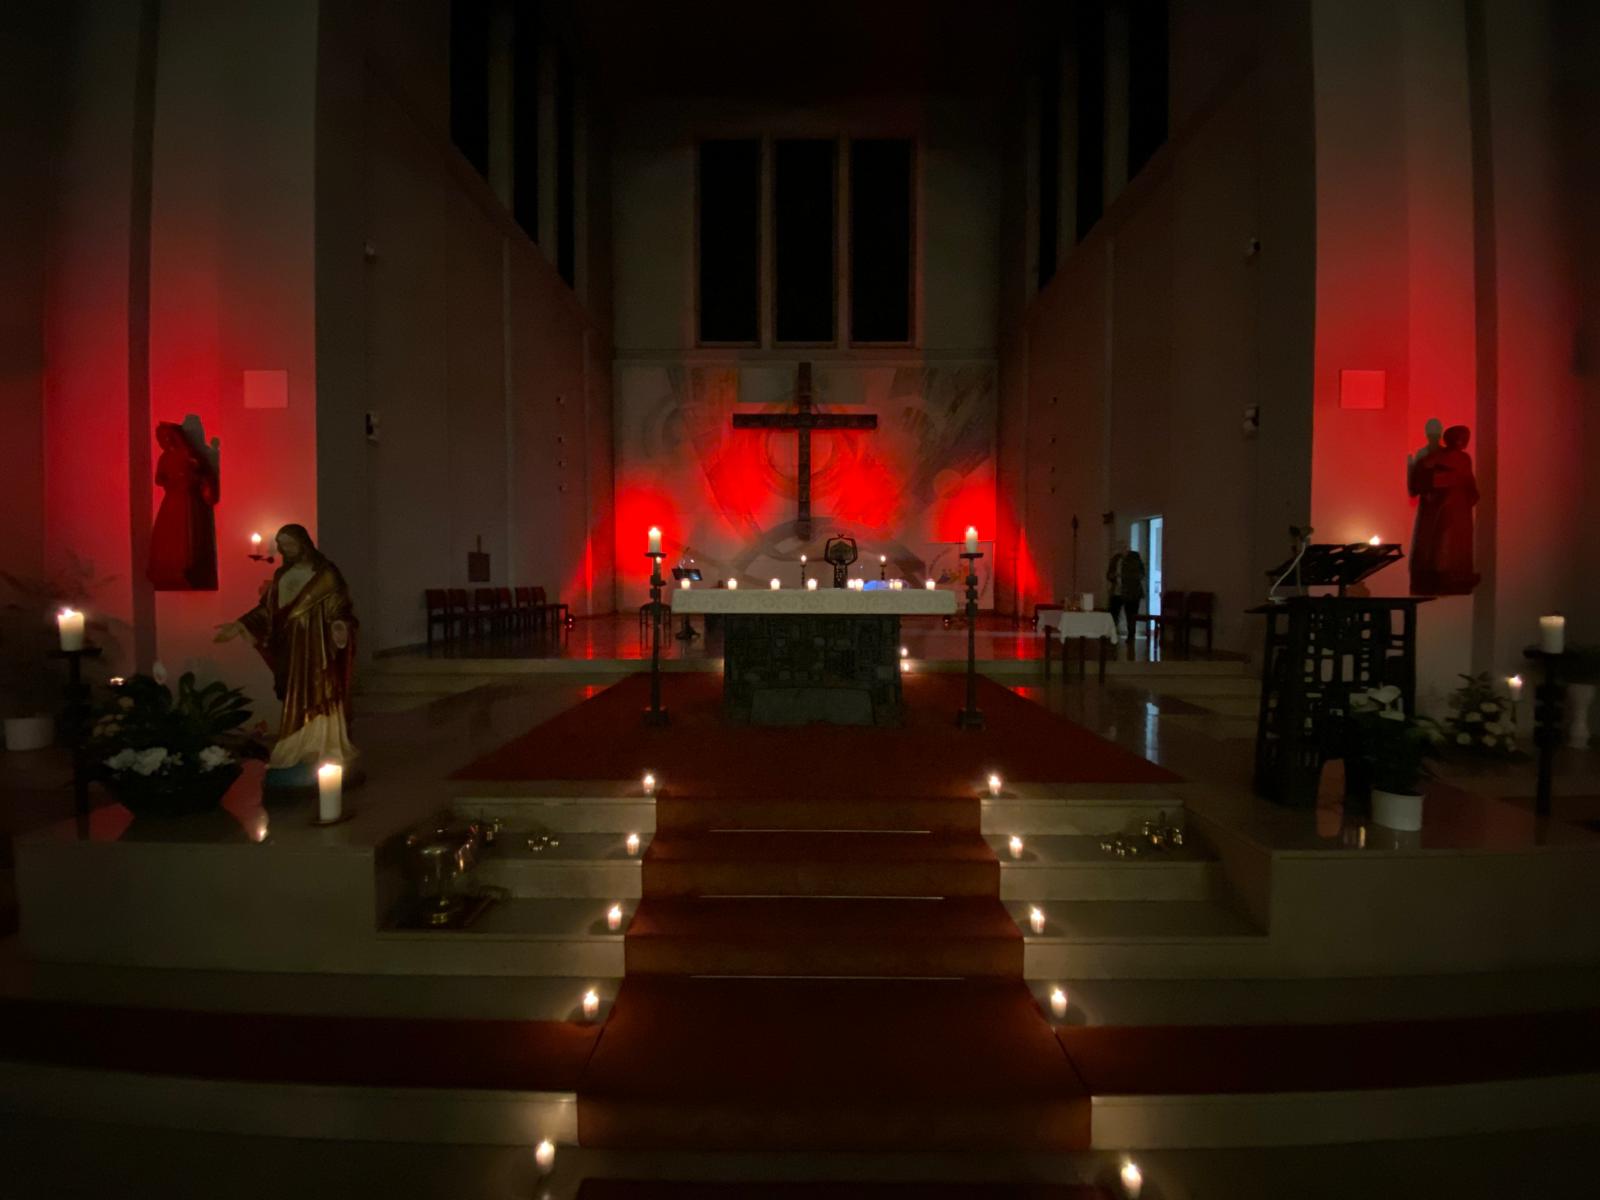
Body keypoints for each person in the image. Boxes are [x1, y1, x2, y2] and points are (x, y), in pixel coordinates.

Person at [214, 524, 359, 771]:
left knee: (320, 689)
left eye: (290, 543)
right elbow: (267, 610)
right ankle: (297, 744)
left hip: (318, 645)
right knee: (296, 693)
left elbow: (341, 608)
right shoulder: (282, 575)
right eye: (282, 545)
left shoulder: (326, 574)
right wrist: (239, 625)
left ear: (303, 543)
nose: (286, 549)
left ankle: (324, 743)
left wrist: (340, 626)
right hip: (291, 644)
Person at [1409, 423, 1480, 595]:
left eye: (1466, 438)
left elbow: (1469, 482)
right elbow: (1421, 480)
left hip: (1460, 507)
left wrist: (1469, 493)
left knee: (1457, 542)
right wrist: (1440, 482)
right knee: (1443, 540)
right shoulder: (1436, 457)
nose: (1465, 442)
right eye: (1462, 438)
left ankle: (1456, 573)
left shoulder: (1463, 458)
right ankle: (1441, 572)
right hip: (1445, 506)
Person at [147, 422, 219, 590]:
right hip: (172, 498)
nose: (163, 441)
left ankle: (188, 567)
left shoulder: (187, 454)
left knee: (187, 532)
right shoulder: (165, 457)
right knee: (169, 534)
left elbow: (202, 474)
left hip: (187, 499)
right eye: (160, 438)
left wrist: (190, 476)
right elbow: (159, 479)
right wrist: (171, 480)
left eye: (166, 437)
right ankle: (168, 568)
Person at [1106, 540, 1146, 644]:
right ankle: (1112, 634)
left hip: (1131, 591)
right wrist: (1112, 576)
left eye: (1124, 546)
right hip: (1117, 591)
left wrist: (1124, 576)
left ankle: (1131, 636)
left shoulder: (1134, 557)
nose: (1122, 548)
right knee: (1113, 613)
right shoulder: (1116, 558)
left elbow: (1139, 573)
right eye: (1120, 546)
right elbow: (1109, 573)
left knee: (1131, 615)